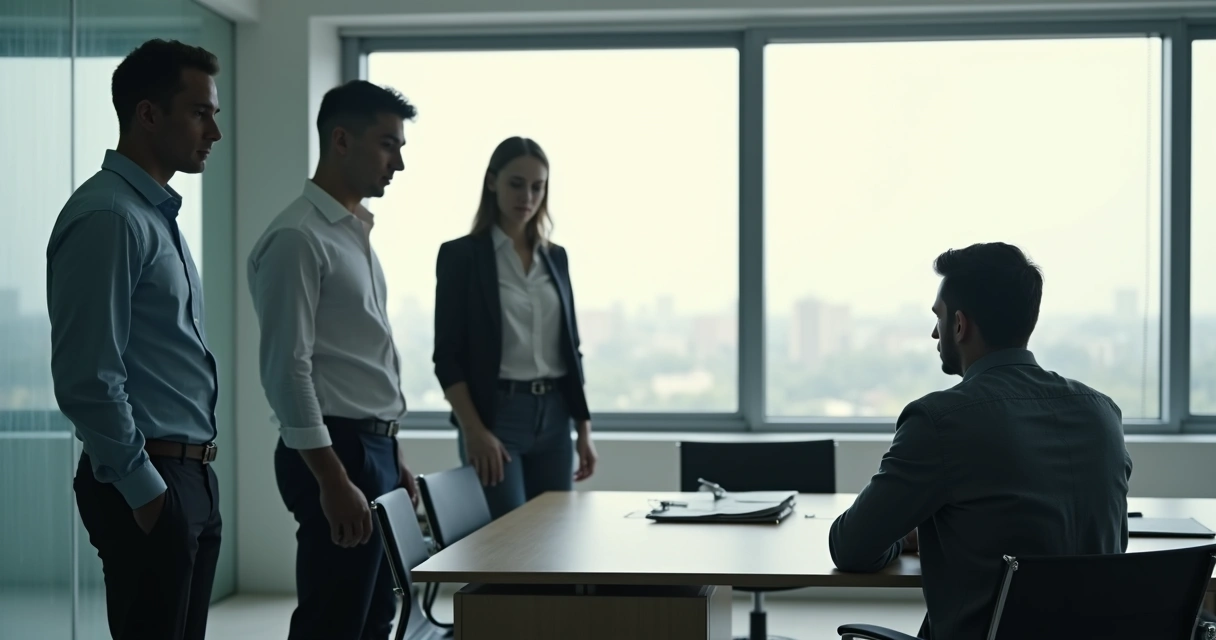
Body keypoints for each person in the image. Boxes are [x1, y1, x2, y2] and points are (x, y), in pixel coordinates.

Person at [828, 243, 1132, 640]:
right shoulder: (1103, 414)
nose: (934, 332)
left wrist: (905, 537)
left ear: (959, 325)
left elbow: (851, 548)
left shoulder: (939, 421)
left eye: (938, 317)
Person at [46, 39, 224, 640]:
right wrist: (147, 494)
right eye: (199, 113)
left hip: (188, 474)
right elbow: (88, 379)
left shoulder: (152, 215)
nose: (214, 132)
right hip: (150, 478)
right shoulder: (111, 217)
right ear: (148, 114)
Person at [246, 80, 419, 640]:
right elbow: (287, 369)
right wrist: (333, 476)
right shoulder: (298, 237)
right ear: (341, 140)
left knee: (374, 618)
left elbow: (357, 361)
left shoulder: (353, 233)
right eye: (388, 145)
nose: (398, 163)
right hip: (336, 451)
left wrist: (391, 453)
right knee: (333, 624)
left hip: (370, 448)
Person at [433, 136, 598, 519]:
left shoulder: (555, 258)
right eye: (516, 184)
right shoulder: (462, 256)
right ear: (492, 181)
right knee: (506, 539)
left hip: (555, 417)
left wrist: (584, 430)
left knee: (554, 537)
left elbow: (571, 349)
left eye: (538, 187)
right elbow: (447, 357)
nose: (528, 196)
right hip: (496, 417)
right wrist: (473, 430)